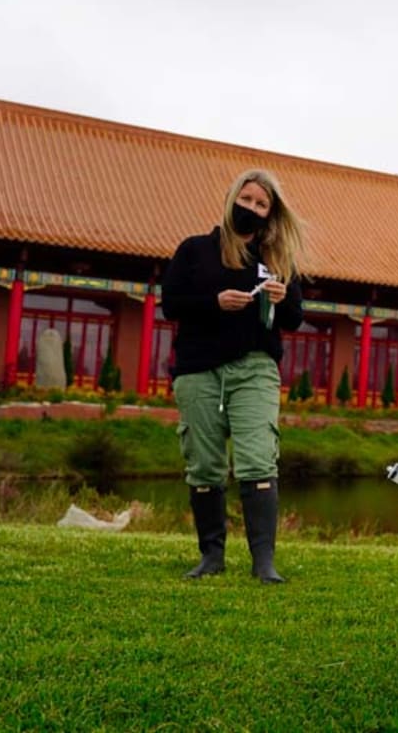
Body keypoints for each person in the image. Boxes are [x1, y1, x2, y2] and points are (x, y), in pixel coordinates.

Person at [161, 168, 305, 583]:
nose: (252, 209)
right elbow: (171, 304)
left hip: (254, 368)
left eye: (261, 205)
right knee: (204, 462)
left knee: (258, 457)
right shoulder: (193, 250)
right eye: (247, 200)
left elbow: (294, 319)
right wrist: (214, 302)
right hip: (198, 368)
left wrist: (282, 298)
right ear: (230, 199)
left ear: (270, 214)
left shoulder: (277, 260)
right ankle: (212, 556)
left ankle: (264, 562)